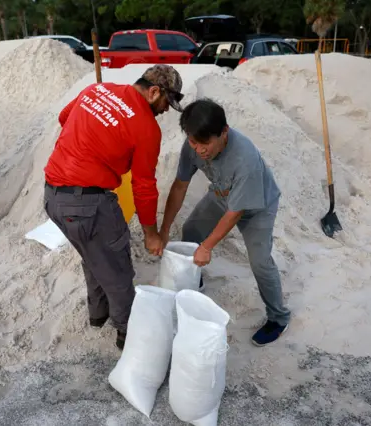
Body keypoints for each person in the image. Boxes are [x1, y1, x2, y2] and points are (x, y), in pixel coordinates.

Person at [44, 65, 184, 350]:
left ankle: (98, 315)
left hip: (52, 197)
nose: (166, 110)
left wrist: (94, 135)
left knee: (93, 255)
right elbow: (143, 187)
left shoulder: (97, 90)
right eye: (166, 103)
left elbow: (64, 117)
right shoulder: (147, 128)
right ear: (154, 91)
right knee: (118, 268)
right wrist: (151, 234)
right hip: (88, 204)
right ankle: (126, 332)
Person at [159, 98, 291, 347]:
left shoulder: (245, 159)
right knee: (191, 231)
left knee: (260, 262)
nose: (199, 150)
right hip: (222, 193)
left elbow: (236, 212)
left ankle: (279, 318)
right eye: (193, 142)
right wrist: (165, 230)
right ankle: (194, 280)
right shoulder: (194, 144)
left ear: (224, 133)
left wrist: (207, 247)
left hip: (257, 205)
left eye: (205, 143)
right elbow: (180, 186)